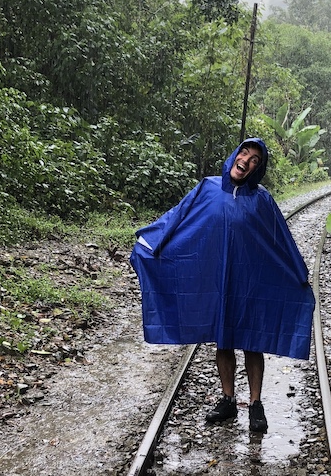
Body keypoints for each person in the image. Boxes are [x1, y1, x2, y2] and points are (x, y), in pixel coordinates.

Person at [130, 138, 315, 433]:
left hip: (251, 282)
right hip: (217, 280)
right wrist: (148, 242)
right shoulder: (207, 188)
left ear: (258, 168)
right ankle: (228, 399)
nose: (247, 160)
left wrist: (298, 272)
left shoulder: (262, 199)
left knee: (253, 342)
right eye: (245, 153)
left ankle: (255, 404)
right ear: (235, 155)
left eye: (255, 159)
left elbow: (281, 239)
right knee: (224, 339)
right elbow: (177, 219)